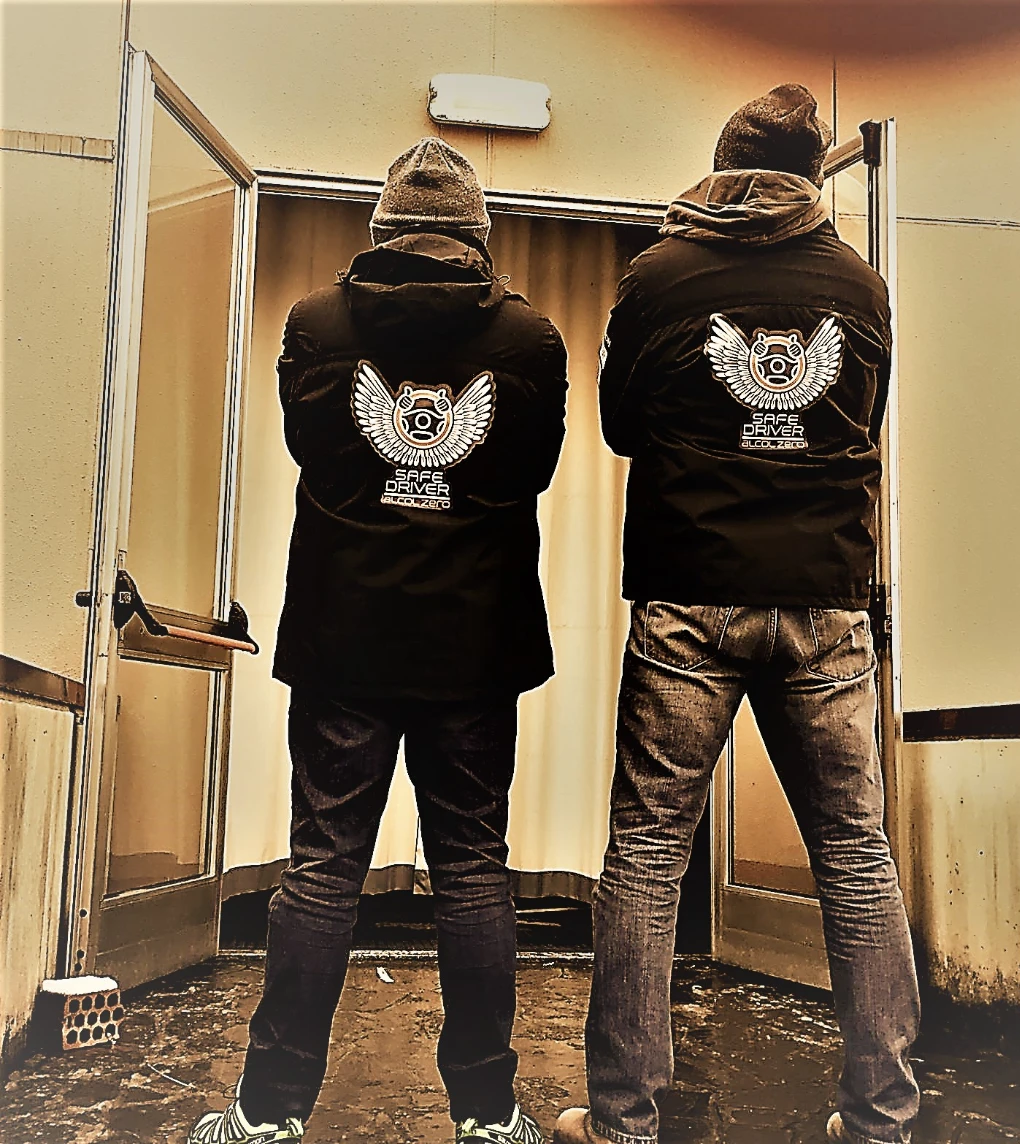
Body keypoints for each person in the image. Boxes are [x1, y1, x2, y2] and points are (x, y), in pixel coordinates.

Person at [554, 85, 920, 1144]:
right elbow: (859, 421)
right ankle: (882, 1119)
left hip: (691, 593)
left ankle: (622, 1122)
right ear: (812, 179)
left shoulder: (661, 274)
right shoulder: (860, 286)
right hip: (825, 603)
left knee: (647, 852)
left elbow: (621, 425)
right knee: (855, 853)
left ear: (721, 172)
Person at [188, 137, 568, 1144]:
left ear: (381, 231)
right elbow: (531, 472)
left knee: (320, 869)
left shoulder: (315, 325)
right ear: (477, 237)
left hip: (344, 642)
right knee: (475, 870)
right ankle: (489, 1116)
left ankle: (265, 1115)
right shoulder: (530, 340)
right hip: (475, 648)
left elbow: (312, 454)